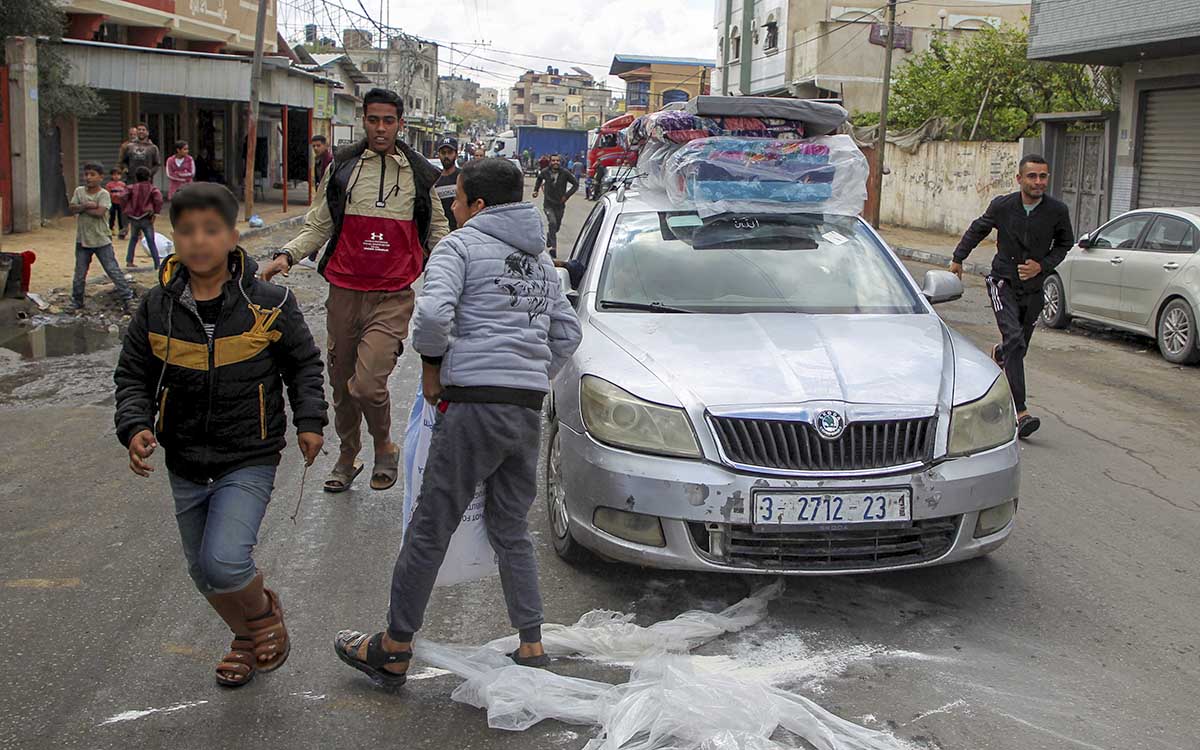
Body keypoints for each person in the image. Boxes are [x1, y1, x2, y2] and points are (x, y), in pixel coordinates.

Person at [333, 157, 583, 689]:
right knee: (511, 528)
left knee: (431, 525)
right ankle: (531, 644)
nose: (454, 206)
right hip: (523, 412)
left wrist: (431, 370)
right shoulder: (542, 264)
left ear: (480, 205)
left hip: (471, 407)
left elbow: (430, 317)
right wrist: (528, 377)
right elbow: (567, 336)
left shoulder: (460, 247)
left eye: (460, 197)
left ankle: (395, 647)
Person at [114, 183, 327, 689]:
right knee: (201, 571)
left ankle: (262, 618)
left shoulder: (270, 303)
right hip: (184, 457)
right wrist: (136, 425)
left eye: (211, 230)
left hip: (247, 454)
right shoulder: (155, 307)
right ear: (173, 238)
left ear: (233, 236)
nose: (199, 241)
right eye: (187, 231)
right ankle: (247, 639)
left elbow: (303, 366)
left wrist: (310, 422)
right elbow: (133, 376)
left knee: (226, 561)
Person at [261, 88, 450, 494]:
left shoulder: (419, 174)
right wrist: (286, 256)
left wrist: (456, 272)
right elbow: (319, 225)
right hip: (343, 292)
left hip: (393, 295)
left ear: (400, 124)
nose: (380, 128)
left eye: (388, 121)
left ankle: (384, 445)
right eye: (373, 120)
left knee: (367, 384)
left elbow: (437, 231)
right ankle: (348, 455)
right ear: (363, 121)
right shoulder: (343, 167)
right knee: (341, 383)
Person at [951, 154, 1073, 440]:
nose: (1038, 182)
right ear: (1019, 179)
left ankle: (1001, 354)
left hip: (1033, 289)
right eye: (1032, 176)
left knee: (1018, 346)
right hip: (1002, 282)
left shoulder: (1057, 210)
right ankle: (1021, 412)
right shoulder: (1003, 206)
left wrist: (1041, 266)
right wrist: (958, 258)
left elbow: (1065, 243)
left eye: (1043, 176)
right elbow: (978, 228)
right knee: (1015, 339)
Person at [70, 162, 134, 311]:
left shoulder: (103, 194)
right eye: (86, 174)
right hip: (83, 240)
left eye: (92, 175)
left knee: (113, 270)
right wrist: (86, 206)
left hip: (101, 240)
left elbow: (100, 213)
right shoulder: (79, 191)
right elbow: (72, 208)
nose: (88, 178)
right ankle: (77, 301)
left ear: (101, 177)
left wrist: (83, 208)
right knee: (79, 274)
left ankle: (128, 298)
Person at [532, 154, 579, 256]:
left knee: (556, 227)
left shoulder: (565, 173)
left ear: (560, 162)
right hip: (548, 204)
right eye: (553, 161)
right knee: (552, 223)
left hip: (560, 204)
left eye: (557, 160)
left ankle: (550, 236)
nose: (555, 162)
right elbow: (539, 179)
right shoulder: (545, 172)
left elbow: (576, 184)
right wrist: (536, 190)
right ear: (550, 162)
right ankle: (554, 249)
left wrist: (566, 196)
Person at [124, 167, 164, 269]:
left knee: (133, 239)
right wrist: (155, 212)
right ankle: (157, 264)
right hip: (146, 217)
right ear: (149, 177)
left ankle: (129, 261)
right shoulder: (152, 188)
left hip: (134, 217)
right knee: (151, 241)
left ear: (136, 177)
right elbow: (159, 199)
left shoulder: (131, 188)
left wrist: (126, 208)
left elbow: (122, 196)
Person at [434, 135, 462, 231]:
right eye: (443, 153)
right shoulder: (434, 180)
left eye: (450, 152)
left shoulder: (463, 177)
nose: (446, 156)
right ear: (438, 155)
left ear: (456, 154)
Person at [105, 167, 129, 240]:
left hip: (120, 203)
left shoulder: (123, 184)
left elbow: (125, 193)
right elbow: (107, 193)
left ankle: (121, 230)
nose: (116, 176)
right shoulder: (109, 185)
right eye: (114, 175)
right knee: (112, 216)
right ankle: (111, 229)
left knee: (120, 217)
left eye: (118, 174)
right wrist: (113, 195)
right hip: (112, 202)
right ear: (111, 176)